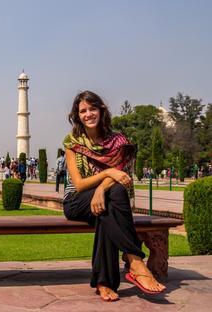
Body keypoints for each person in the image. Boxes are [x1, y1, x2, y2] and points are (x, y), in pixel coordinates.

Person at [62, 90, 166, 302]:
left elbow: (121, 177)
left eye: (92, 109)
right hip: (76, 201)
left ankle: (104, 282)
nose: (88, 114)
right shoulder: (73, 143)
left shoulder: (118, 141)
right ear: (77, 115)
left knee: (107, 210)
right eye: (83, 111)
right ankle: (135, 261)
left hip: (104, 198)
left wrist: (101, 189)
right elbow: (80, 185)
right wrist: (108, 172)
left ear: (101, 111)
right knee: (114, 194)